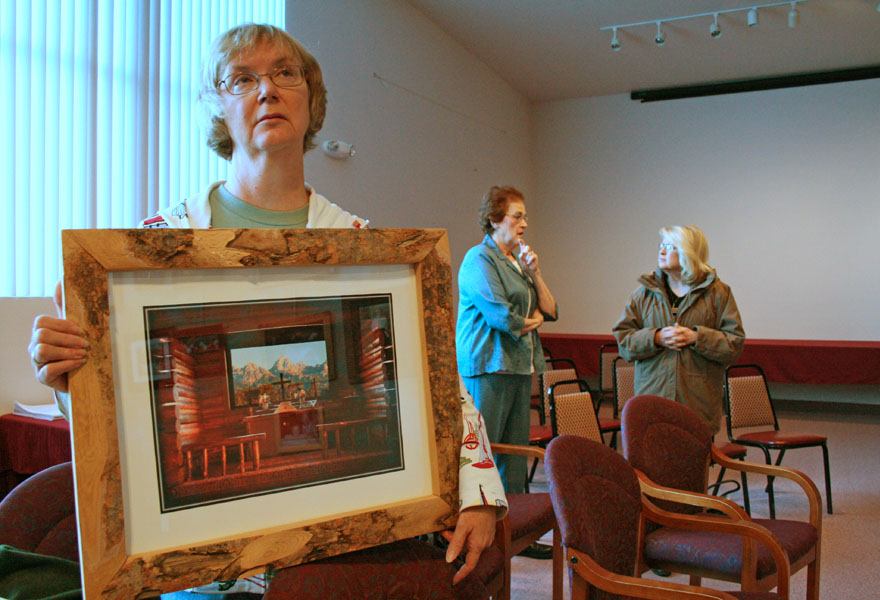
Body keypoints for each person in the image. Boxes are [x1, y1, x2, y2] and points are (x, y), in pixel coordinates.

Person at [27, 23, 504, 588]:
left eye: (285, 73)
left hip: (333, 550)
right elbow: (127, 409)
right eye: (242, 79)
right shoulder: (152, 250)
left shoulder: (366, 251)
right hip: (198, 562)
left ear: (311, 99)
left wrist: (478, 490)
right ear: (218, 107)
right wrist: (71, 378)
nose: (267, 89)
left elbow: (436, 383)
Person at [456, 185, 557, 497]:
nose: (524, 224)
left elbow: (551, 309)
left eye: (525, 217)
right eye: (517, 217)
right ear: (495, 220)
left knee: (513, 454)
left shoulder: (518, 263)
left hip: (518, 365)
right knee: (484, 452)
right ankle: (480, 525)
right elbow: (503, 317)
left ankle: (512, 527)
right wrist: (535, 320)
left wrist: (535, 273)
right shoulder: (479, 258)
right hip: (489, 365)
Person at [612, 225, 745, 433]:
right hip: (652, 399)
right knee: (652, 464)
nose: (662, 252)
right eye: (661, 245)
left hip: (697, 403)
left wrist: (697, 337)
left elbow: (733, 345)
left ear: (688, 252)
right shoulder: (643, 294)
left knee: (693, 464)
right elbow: (624, 342)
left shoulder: (718, 293)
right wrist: (656, 338)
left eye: (670, 246)